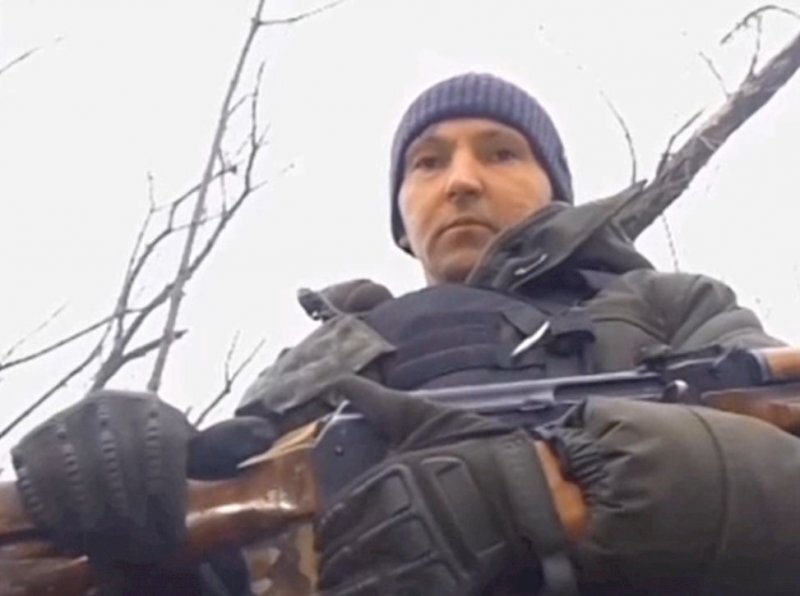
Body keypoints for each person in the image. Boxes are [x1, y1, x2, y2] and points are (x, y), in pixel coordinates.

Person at [11, 73, 800, 595]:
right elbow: (237, 561)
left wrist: (534, 495)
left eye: (502, 153)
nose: (462, 180)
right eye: (427, 163)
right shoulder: (314, 368)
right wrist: (122, 519)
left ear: (553, 188)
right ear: (401, 219)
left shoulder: (661, 305)